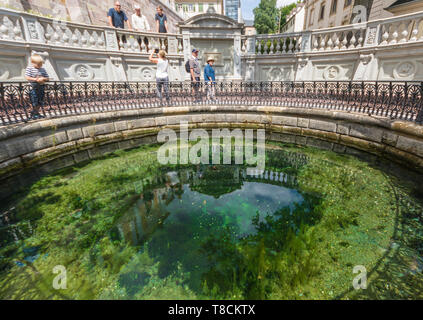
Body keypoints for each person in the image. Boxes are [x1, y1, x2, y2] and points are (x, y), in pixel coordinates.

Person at [25, 54, 49, 119]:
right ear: (32, 62)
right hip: (33, 87)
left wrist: (43, 79)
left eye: (40, 64)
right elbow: (27, 77)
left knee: (40, 101)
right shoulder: (29, 68)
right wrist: (36, 79)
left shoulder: (42, 69)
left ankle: (36, 112)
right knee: (34, 100)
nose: (39, 66)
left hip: (41, 87)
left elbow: (47, 78)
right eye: (38, 64)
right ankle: (34, 113)